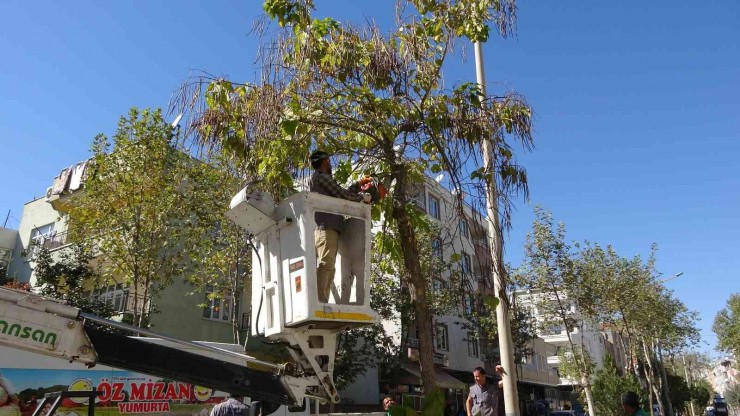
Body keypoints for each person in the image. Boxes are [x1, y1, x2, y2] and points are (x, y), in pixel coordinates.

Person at [308, 150, 372, 303]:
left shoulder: (322, 180)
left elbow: (341, 193)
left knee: (330, 267)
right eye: (329, 161)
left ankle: (323, 301)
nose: (330, 163)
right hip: (326, 228)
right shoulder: (321, 177)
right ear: (324, 162)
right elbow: (342, 195)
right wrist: (362, 197)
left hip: (330, 228)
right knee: (326, 265)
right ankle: (320, 301)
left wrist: (358, 185)